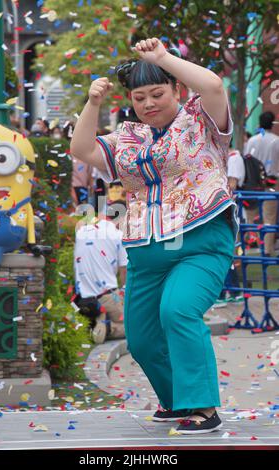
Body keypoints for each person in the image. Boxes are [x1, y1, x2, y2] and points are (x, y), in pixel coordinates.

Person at [70, 37, 238, 434]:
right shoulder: (128, 138)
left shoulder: (201, 120)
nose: (148, 104)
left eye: (158, 93)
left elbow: (214, 86)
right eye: (139, 97)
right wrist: (92, 103)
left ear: (177, 89)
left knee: (178, 311)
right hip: (146, 252)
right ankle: (176, 401)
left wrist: (163, 58)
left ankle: (202, 407)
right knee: (143, 339)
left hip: (200, 243)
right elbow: (81, 148)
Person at [73, 201, 127, 343]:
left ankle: (93, 323)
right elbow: (124, 273)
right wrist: (125, 296)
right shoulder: (118, 235)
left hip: (80, 298)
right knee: (135, 327)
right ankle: (106, 327)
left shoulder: (82, 230)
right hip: (107, 297)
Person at [213, 147, 245, 307]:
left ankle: (228, 291)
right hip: (223, 211)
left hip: (228, 211)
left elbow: (232, 185)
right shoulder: (224, 156)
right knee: (224, 252)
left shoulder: (233, 158)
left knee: (226, 251)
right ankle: (231, 291)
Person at [245, 112, 279, 256]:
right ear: (272, 124)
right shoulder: (276, 140)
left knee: (250, 215)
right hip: (271, 182)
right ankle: (267, 249)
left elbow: (246, 160)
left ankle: (250, 244)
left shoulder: (252, 140)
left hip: (253, 182)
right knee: (269, 217)